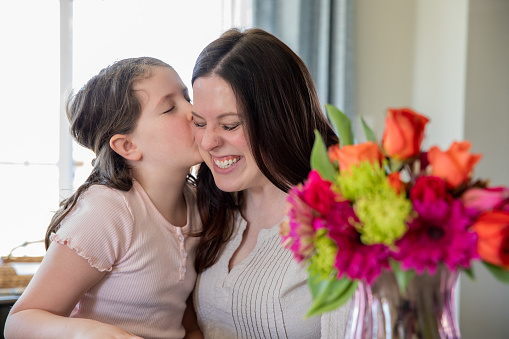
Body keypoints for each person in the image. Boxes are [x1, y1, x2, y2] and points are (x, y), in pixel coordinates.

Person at [4, 57, 203, 339]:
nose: (193, 111)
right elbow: (19, 323)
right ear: (127, 145)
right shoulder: (108, 210)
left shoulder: (197, 204)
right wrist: (87, 332)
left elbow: (186, 320)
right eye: (170, 107)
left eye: (187, 98)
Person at [190, 28, 350, 338]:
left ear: (277, 119)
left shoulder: (340, 221)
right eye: (199, 122)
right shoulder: (212, 207)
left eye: (229, 124)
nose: (208, 142)